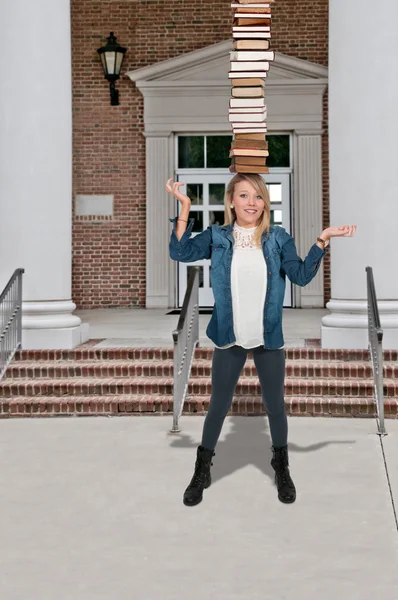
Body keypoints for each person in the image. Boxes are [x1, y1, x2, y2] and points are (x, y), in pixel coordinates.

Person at [166, 174, 357, 507]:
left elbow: (300, 275)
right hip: (230, 337)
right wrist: (185, 206)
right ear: (231, 201)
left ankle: (281, 466)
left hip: (268, 337)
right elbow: (179, 252)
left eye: (257, 196)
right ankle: (202, 469)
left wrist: (322, 240)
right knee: (218, 407)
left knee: (275, 406)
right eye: (243, 195)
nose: (251, 203)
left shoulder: (277, 238)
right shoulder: (217, 237)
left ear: (264, 202)